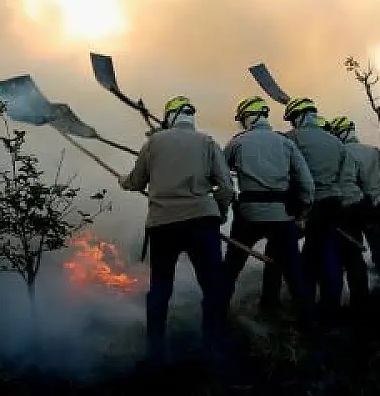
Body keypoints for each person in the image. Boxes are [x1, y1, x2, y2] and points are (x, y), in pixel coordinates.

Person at [120, 95, 236, 364]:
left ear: (170, 117)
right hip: (202, 223)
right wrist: (219, 213)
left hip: (164, 225)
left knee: (161, 288)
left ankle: (155, 350)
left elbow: (136, 182)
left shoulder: (154, 143)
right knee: (212, 287)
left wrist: (123, 181)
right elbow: (227, 187)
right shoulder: (208, 142)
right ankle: (213, 345)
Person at [220, 97, 316, 325]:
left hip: (248, 216)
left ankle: (216, 319)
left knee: (230, 270)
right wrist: (301, 214)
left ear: (248, 117)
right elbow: (307, 186)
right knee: (295, 274)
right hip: (282, 217)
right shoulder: (286, 143)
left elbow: (220, 175)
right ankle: (311, 326)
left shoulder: (237, 143)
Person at [273, 97, 362, 323]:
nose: (292, 123)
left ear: (300, 117)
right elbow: (345, 178)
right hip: (334, 204)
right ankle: (330, 308)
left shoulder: (290, 138)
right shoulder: (337, 143)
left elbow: (283, 172)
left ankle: (300, 308)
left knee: (286, 252)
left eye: (293, 118)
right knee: (327, 253)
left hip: (307, 204)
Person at [328, 116, 380, 294]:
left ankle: (360, 299)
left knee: (353, 256)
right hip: (375, 211)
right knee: (379, 252)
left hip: (351, 213)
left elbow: (345, 183)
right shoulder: (374, 151)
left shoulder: (342, 153)